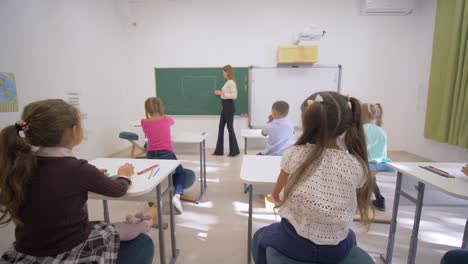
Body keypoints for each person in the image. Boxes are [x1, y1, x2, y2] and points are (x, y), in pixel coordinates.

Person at [0, 99, 154, 264]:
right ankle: (143, 225)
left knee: (108, 227)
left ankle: (136, 224)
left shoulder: (21, 165)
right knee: (127, 231)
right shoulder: (77, 169)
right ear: (73, 131)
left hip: (28, 249)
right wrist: (125, 174)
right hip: (68, 249)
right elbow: (118, 190)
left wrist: (91, 175)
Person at [252, 92, 373, 264]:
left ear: (307, 122)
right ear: (347, 124)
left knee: (260, 237)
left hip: (294, 243)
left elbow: (276, 196)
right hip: (336, 250)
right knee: (350, 236)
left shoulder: (294, 154)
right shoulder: (356, 165)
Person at [141, 97, 185, 214]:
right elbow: (172, 122)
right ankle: (177, 196)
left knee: (154, 176)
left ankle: (155, 199)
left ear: (147, 109)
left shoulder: (143, 122)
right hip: (166, 153)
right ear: (161, 107)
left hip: (151, 154)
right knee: (180, 172)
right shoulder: (167, 120)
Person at [361, 103, 394, 211]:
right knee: (371, 179)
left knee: (368, 180)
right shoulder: (381, 130)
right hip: (380, 162)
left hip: (367, 162)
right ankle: (378, 200)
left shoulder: (362, 129)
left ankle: (369, 200)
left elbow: (362, 148)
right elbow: (383, 150)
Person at [212, 65, 241, 157]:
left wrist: (221, 93)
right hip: (225, 106)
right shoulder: (228, 82)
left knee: (230, 128)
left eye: (223, 72)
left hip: (228, 106)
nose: (222, 74)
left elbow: (234, 96)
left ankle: (234, 152)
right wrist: (221, 93)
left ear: (227, 72)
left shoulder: (231, 82)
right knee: (221, 127)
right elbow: (228, 94)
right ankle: (219, 151)